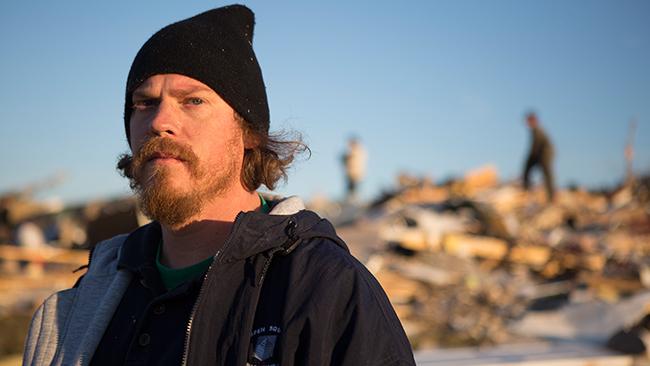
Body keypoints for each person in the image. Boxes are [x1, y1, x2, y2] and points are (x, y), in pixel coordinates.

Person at [23, 5, 415, 366]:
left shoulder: (323, 289)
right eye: (144, 103)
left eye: (192, 101)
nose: (159, 121)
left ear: (247, 133)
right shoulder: (75, 311)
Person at [522, 111, 555, 202]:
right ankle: (526, 187)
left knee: (547, 175)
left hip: (545, 154)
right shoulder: (535, 130)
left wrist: (530, 159)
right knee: (530, 169)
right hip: (541, 154)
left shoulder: (537, 131)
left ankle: (551, 197)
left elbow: (535, 147)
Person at [341, 136, 367, 202]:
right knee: (350, 189)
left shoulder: (357, 151)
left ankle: (353, 201)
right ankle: (351, 200)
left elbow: (351, 161)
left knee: (353, 190)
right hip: (351, 173)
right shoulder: (354, 151)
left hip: (355, 174)